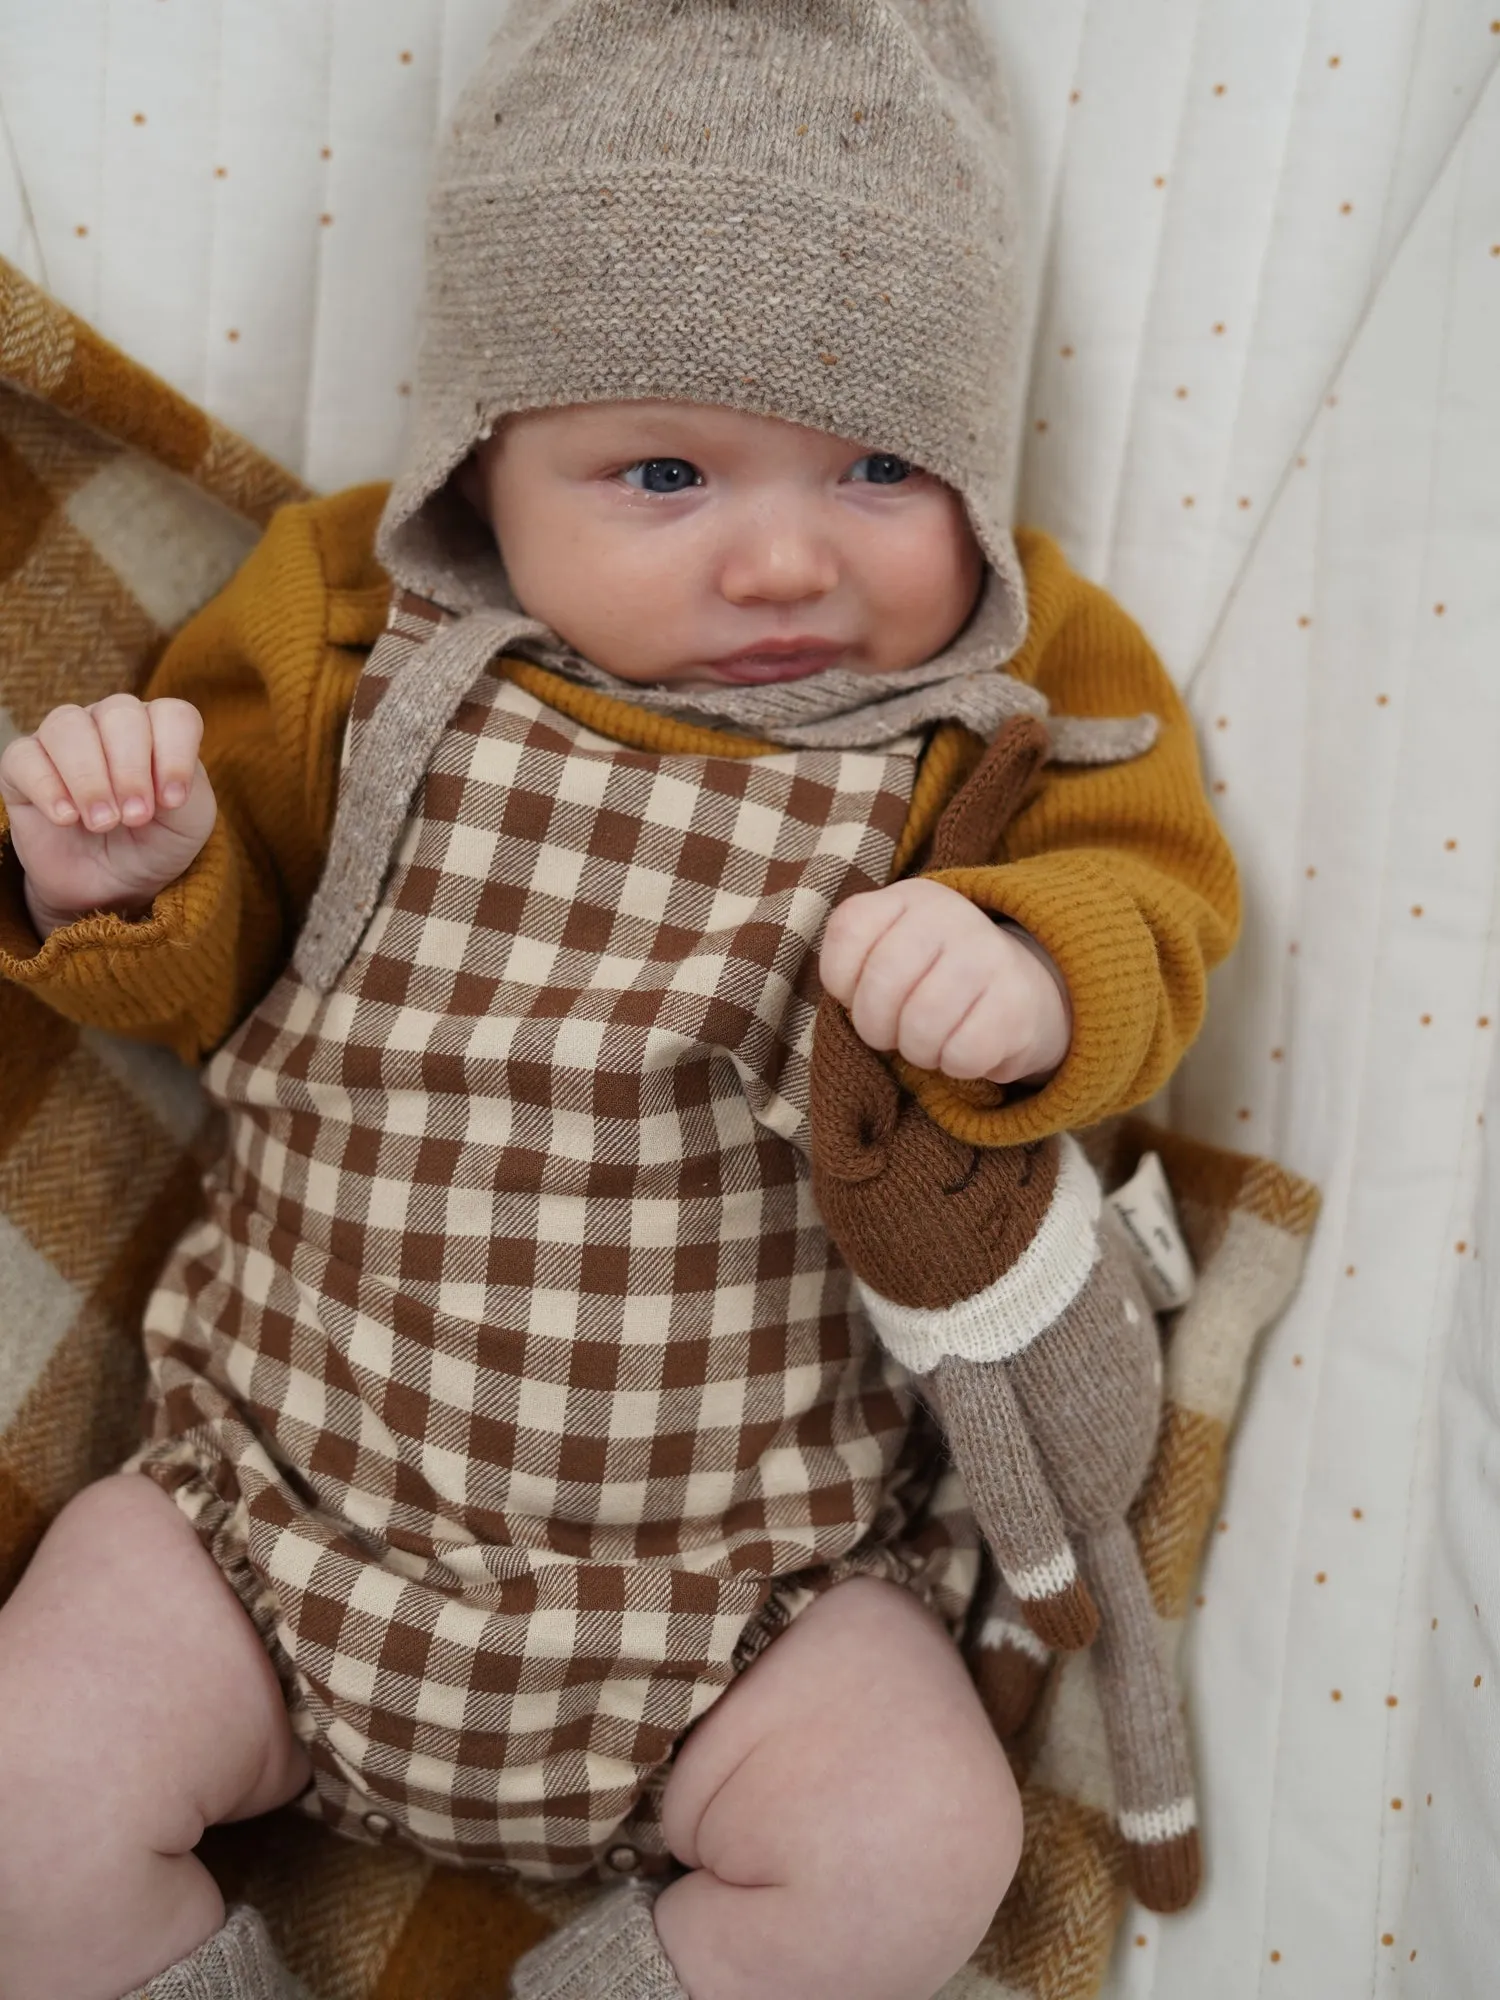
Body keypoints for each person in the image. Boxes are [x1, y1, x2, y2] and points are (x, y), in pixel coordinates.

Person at [0, 4, 1239, 1997]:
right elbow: (203, 980)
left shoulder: (1016, 689)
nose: (779, 558)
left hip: (746, 1607)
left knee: (928, 1840)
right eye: (662, 470)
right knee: (20, 1791)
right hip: (272, 1522)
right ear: (485, 460)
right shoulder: (350, 621)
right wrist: (125, 880)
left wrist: (1031, 968)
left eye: (881, 466)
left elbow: (1159, 894)